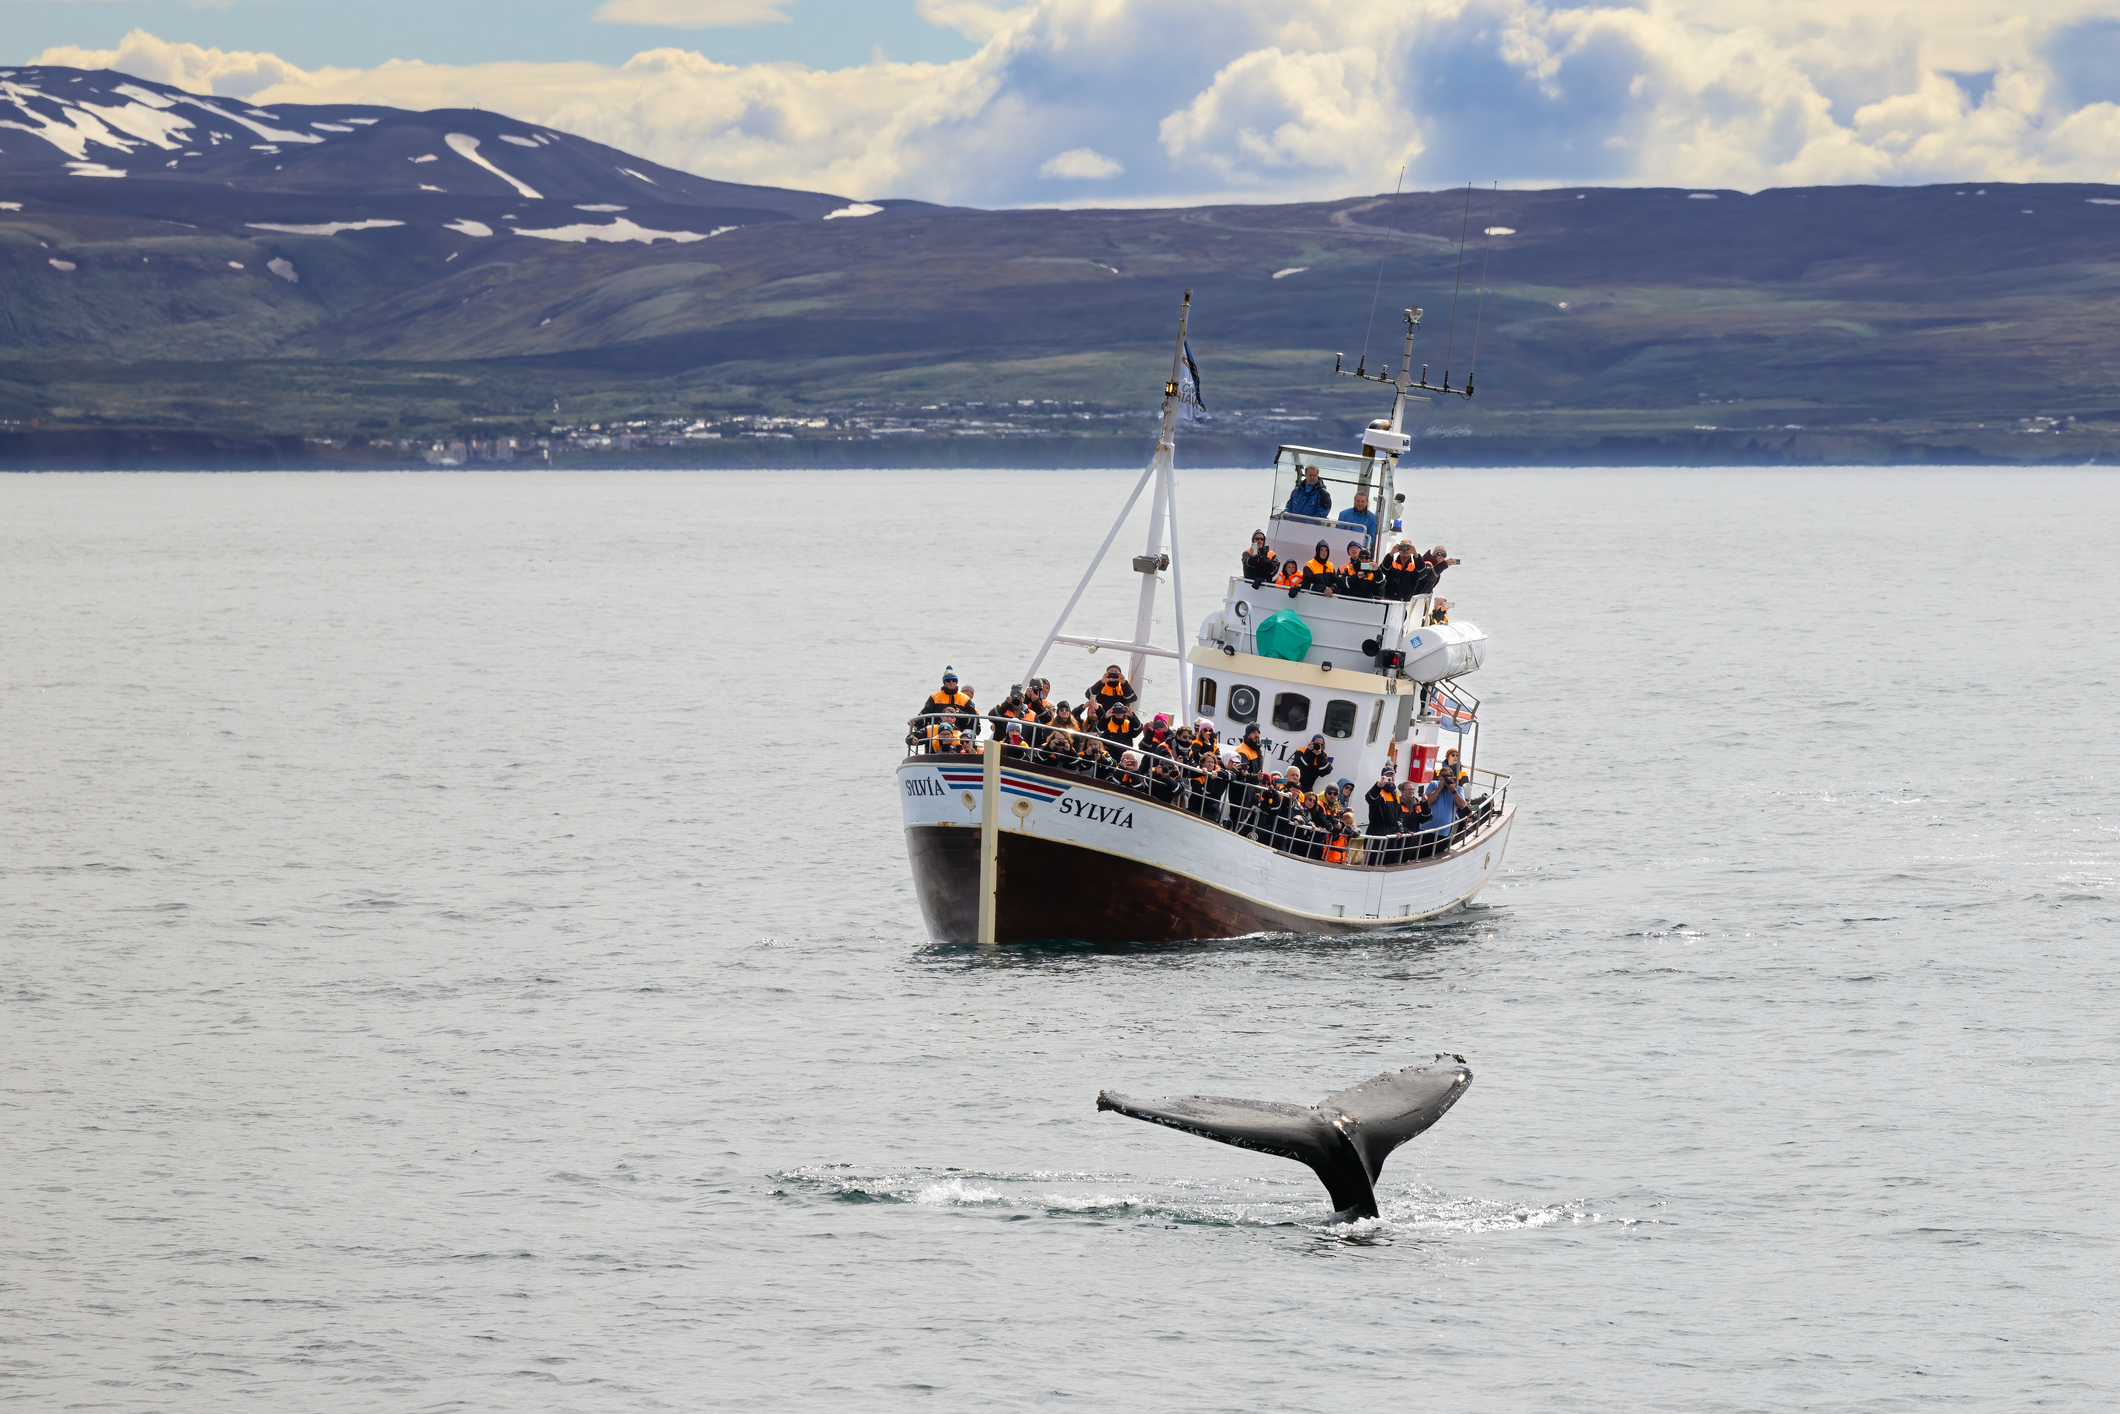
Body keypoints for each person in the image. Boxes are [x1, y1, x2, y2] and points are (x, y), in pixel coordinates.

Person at [915, 669, 976, 737]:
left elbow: (973, 719)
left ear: (956, 682)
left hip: (959, 735)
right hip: (936, 734)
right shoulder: (934, 697)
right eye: (948, 680)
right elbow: (925, 713)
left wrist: (960, 714)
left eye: (953, 680)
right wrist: (916, 722)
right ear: (944, 682)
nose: (951, 682)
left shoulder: (965, 699)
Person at [1425, 767, 1466, 851]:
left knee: (1437, 853)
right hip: (1426, 829)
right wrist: (1439, 788)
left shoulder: (1458, 789)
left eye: (1448, 776)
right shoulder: (1433, 784)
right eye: (1443, 776)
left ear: (1453, 776)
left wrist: (1453, 791)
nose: (1445, 778)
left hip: (1444, 832)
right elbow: (1428, 801)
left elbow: (1462, 805)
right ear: (1439, 777)